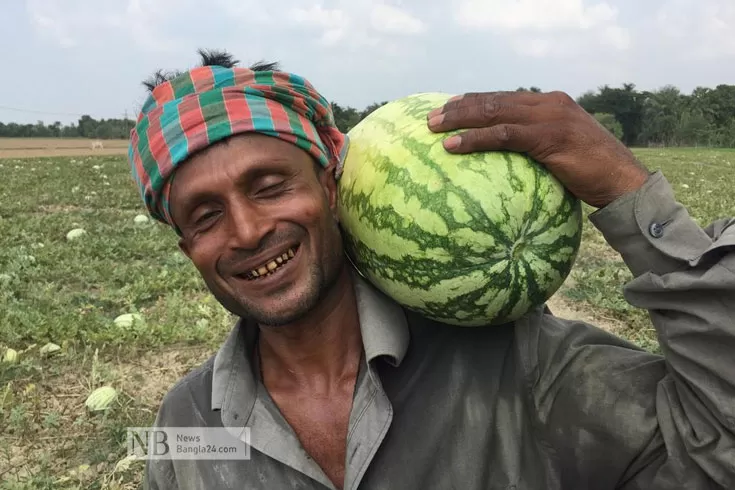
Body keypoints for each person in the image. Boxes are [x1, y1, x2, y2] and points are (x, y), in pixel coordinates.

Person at [129, 50, 735, 490]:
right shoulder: (184, 422)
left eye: (269, 186)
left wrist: (632, 199)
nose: (247, 231)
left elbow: (718, 452)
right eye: (205, 216)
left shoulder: (520, 363)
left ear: (331, 188)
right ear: (188, 247)